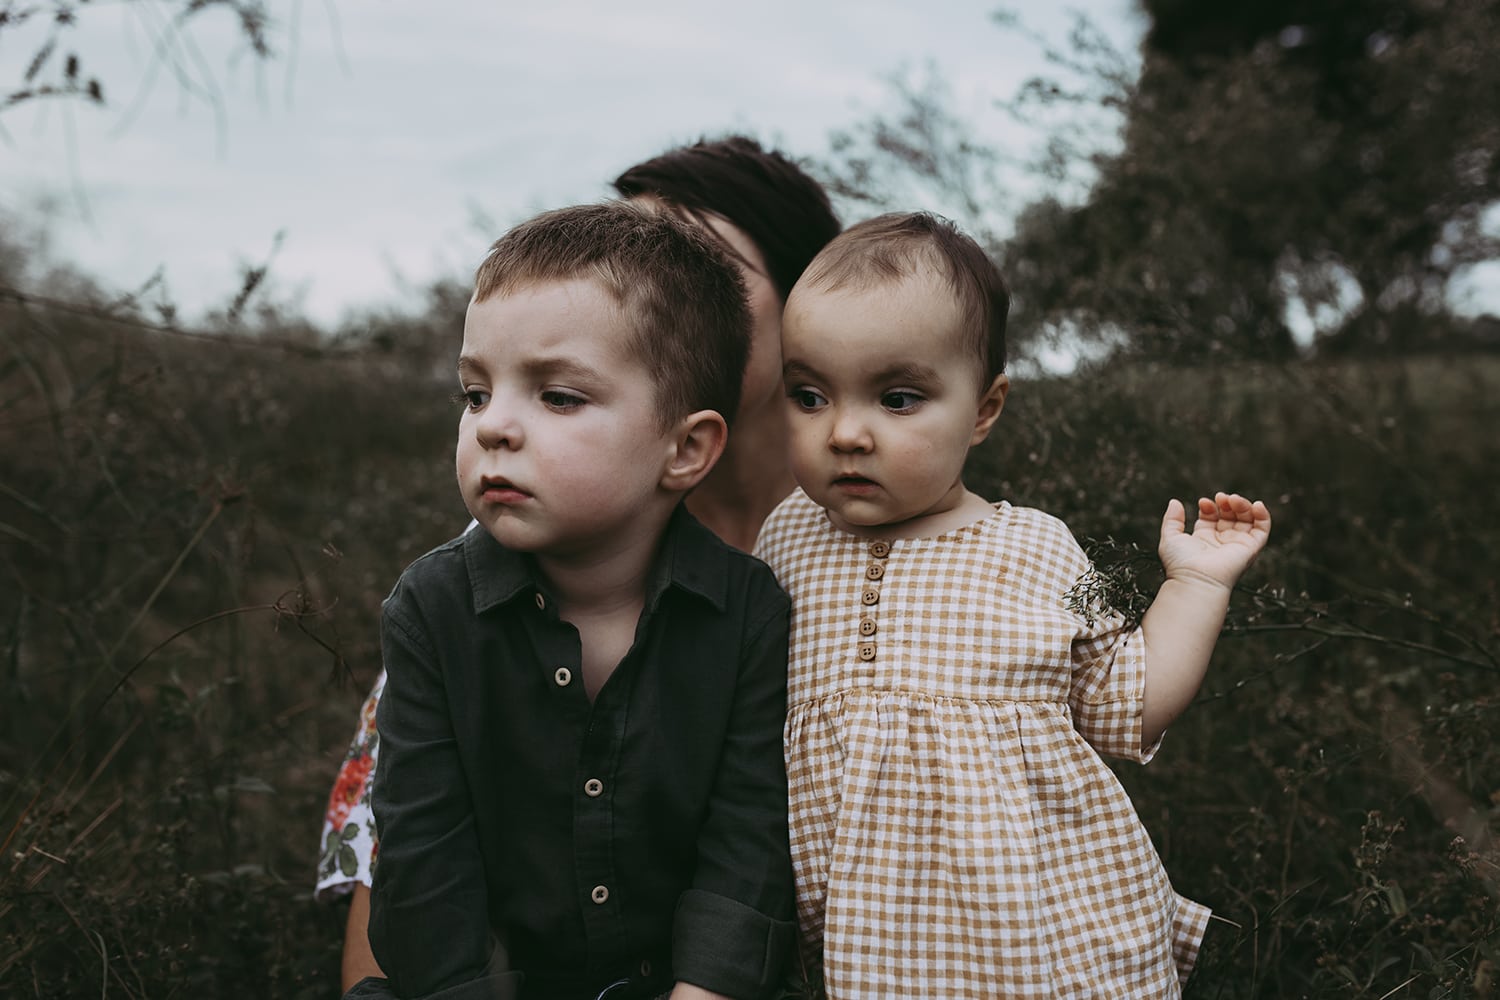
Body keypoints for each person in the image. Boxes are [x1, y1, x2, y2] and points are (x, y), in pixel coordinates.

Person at [317, 136, 841, 991]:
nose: (646, 279)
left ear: (804, 306)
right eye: (476, 395)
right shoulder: (468, 587)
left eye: (698, 258)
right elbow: (408, 866)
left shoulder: (867, 569)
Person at [752, 212, 1273, 997]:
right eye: (810, 395)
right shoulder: (786, 534)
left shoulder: (1032, 545)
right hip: (855, 941)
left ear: (984, 410)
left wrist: (1197, 583)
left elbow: (1128, 703)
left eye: (897, 398)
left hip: (1027, 933)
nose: (846, 432)